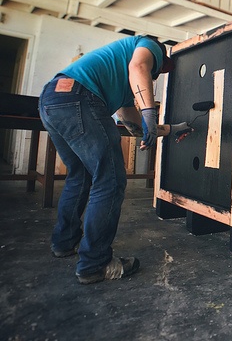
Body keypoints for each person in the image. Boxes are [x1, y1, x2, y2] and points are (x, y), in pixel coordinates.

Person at [39, 35, 186, 284]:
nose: (154, 77)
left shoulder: (121, 88)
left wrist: (172, 128)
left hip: (52, 99)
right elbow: (139, 67)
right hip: (80, 98)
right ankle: (95, 264)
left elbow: (134, 127)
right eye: (157, 71)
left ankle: (64, 242)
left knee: (81, 174)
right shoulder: (147, 44)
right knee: (110, 181)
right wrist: (150, 111)